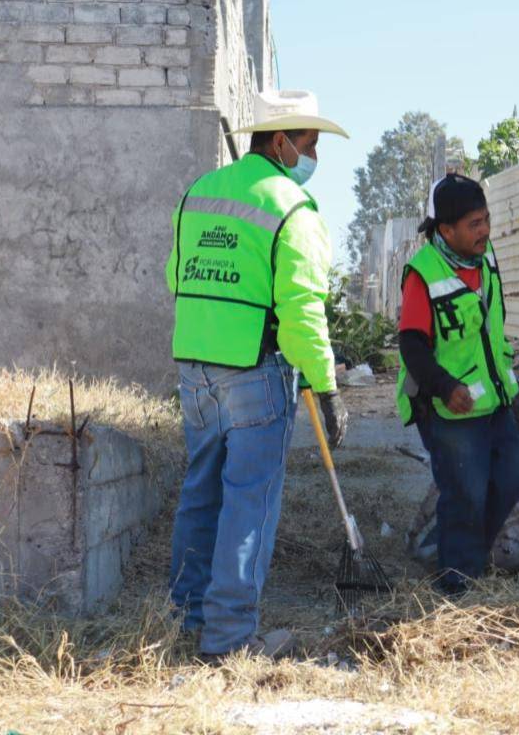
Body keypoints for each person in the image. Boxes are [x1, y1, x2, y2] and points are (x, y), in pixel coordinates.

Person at [166, 89, 350, 661]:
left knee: (200, 496)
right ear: (280, 142)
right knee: (249, 504)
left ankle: (183, 622)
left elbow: (176, 277)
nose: (312, 157)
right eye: (309, 145)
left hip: (195, 372)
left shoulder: (199, 193)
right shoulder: (292, 208)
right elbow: (301, 310)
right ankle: (227, 642)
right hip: (255, 374)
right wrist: (326, 387)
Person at [395, 174, 519, 595]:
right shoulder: (423, 274)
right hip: (450, 406)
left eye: (486, 219)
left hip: (494, 399)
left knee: (510, 478)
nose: (485, 230)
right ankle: (457, 583)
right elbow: (411, 346)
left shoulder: (486, 261)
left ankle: (461, 557)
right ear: (446, 231)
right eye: (474, 224)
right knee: (464, 494)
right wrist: (444, 387)